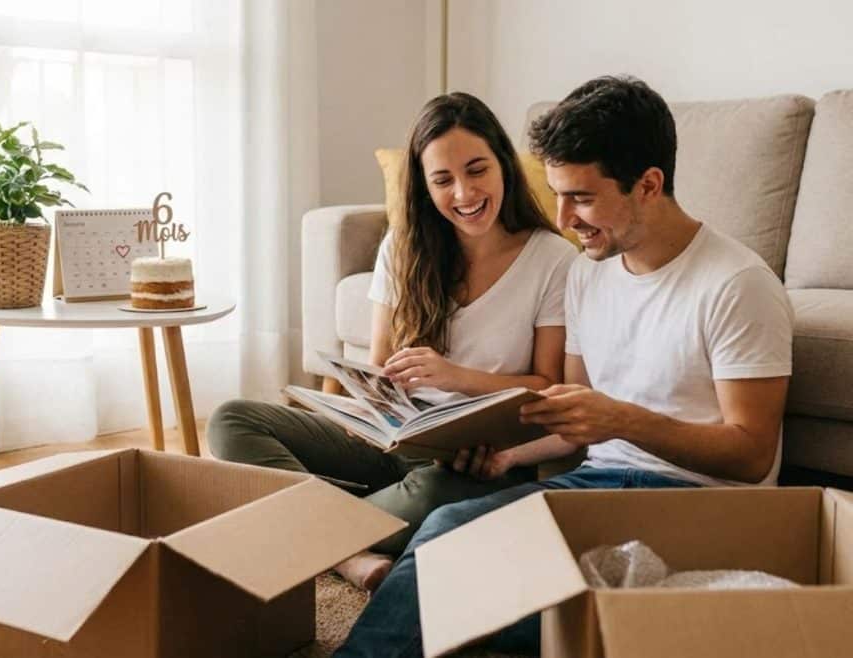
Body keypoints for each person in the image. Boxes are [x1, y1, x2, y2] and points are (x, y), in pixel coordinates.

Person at [335, 75, 795, 657]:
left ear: (648, 185)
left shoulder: (737, 284)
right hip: (598, 488)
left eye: (580, 196)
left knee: (456, 554)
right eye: (557, 194)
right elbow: (569, 413)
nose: (563, 217)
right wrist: (507, 453)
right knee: (452, 547)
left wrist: (622, 421)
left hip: (698, 506)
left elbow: (753, 455)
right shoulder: (588, 274)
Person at [206, 92, 578, 590]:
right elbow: (379, 367)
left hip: (470, 461)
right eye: (443, 180)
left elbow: (547, 384)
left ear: (503, 165)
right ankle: (349, 550)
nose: (464, 193)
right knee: (232, 419)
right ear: (425, 187)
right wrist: (364, 412)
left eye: (477, 170)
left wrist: (456, 378)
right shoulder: (405, 248)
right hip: (397, 441)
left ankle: (304, 525)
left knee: (433, 498)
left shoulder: (551, 257)